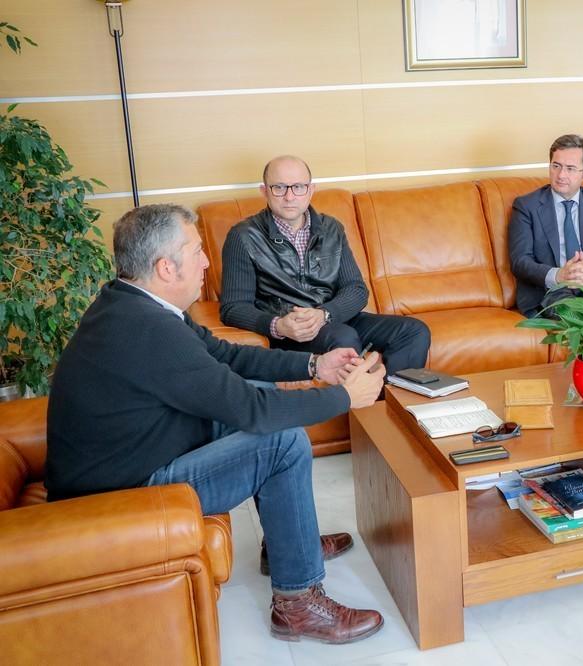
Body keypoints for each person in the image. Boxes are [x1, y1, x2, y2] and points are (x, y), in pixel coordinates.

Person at [47, 204, 387, 645]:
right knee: (279, 442)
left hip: (141, 452)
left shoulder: (134, 304)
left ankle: (288, 544)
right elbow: (253, 411)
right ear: (166, 267)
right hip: (124, 492)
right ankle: (298, 603)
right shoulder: (149, 331)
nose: (208, 261)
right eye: (197, 250)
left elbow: (227, 356)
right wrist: (345, 396)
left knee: (262, 398)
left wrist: (314, 364)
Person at [220, 155, 430, 375]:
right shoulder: (243, 236)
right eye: (279, 187)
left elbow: (356, 289)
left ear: (311, 190)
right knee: (344, 337)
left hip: (333, 317)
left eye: (298, 187)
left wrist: (324, 314)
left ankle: (385, 403)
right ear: (265, 191)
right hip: (292, 331)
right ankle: (358, 402)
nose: (290, 196)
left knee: (413, 331)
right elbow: (233, 307)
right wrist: (278, 325)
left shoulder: (331, 228)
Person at [508, 134, 583, 317]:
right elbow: (520, 261)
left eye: (570, 168)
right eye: (556, 166)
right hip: (552, 291)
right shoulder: (527, 206)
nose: (561, 175)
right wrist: (559, 275)